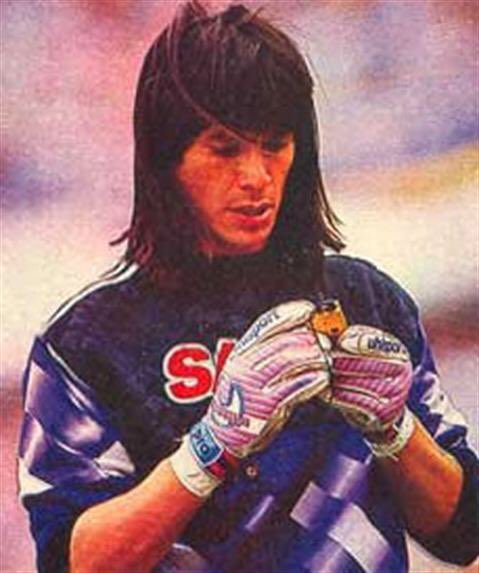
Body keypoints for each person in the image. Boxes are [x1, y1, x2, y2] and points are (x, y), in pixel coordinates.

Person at [18, 2, 478, 572]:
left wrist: (396, 431)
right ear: (167, 157)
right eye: (225, 149)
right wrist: (210, 447)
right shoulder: (86, 341)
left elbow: (464, 533)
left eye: (275, 144)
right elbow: (73, 563)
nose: (257, 177)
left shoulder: (367, 301)